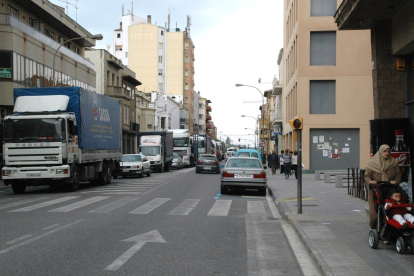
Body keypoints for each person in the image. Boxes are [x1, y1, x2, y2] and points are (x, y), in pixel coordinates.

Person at [364, 144, 402, 229]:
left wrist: (395, 181)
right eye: (384, 151)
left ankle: (385, 231)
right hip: (375, 189)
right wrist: (370, 182)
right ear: (380, 152)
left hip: (389, 189)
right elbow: (367, 176)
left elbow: (398, 174)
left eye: (388, 152)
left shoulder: (393, 163)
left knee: (387, 211)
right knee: (374, 213)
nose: (387, 153)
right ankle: (373, 229)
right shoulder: (372, 163)